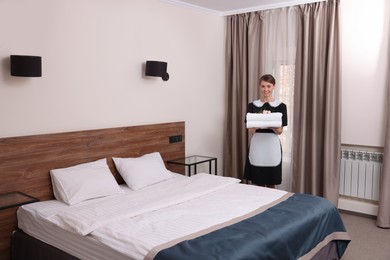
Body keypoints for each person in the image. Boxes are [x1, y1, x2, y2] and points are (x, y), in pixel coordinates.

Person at [244, 74, 288, 188]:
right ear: (259, 87)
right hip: (257, 146)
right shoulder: (252, 106)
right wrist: (269, 121)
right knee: (256, 182)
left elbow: (279, 131)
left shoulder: (281, 106)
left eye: (268, 86)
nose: (266, 89)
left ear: (274, 86)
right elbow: (251, 130)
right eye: (263, 86)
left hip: (272, 147)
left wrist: (263, 122)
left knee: (271, 182)